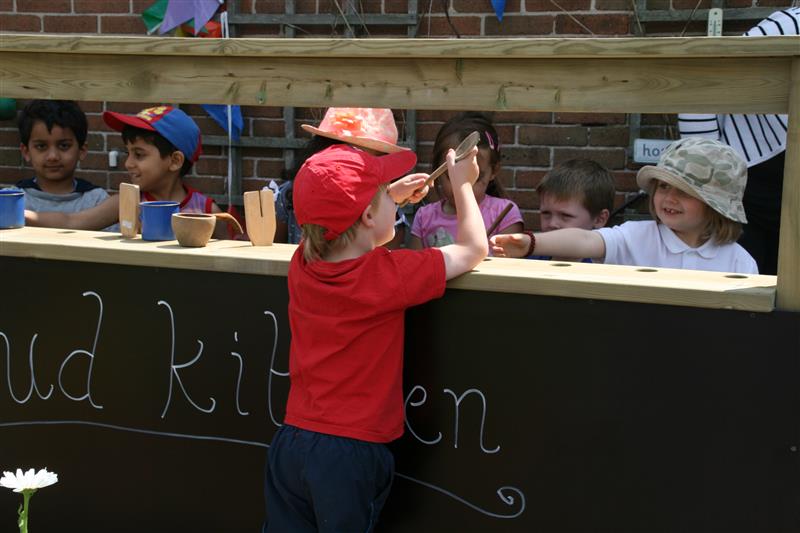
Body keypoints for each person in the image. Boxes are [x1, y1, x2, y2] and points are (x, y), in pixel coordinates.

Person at [264, 142, 487, 532]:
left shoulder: (302, 265)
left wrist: (388, 198)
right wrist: (463, 185)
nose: (394, 201)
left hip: (293, 442)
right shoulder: (388, 275)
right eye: (386, 194)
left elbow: (343, 231)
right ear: (367, 214)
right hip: (350, 453)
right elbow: (472, 249)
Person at [490, 137, 758, 274]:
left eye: (685, 192)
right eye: (663, 186)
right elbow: (585, 240)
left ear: (715, 206)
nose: (669, 198)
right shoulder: (637, 236)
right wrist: (531, 243)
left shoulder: (740, 262)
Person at [678, 7, 799, 275]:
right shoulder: (792, 23)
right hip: (749, 177)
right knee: (742, 288)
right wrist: (704, 172)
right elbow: (708, 76)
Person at [25, 105, 226, 237]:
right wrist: (23, 214)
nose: (128, 163)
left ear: (174, 161)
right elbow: (71, 221)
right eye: (127, 153)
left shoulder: (207, 211)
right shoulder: (126, 201)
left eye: (139, 154)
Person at [276, 107, 423, 248]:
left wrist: (389, 196)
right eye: (349, 158)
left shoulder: (389, 210)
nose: (355, 170)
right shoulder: (286, 197)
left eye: (369, 165)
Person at [410, 112, 523, 249]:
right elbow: (415, 266)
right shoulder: (424, 218)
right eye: (451, 176)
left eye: (475, 177)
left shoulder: (505, 213)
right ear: (437, 171)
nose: (461, 187)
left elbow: (508, 266)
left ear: (494, 171)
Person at [16, 100, 110, 220]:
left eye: (64, 146)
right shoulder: (10, 200)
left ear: (82, 150)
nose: (53, 156)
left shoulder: (98, 201)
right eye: (41, 146)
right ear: (26, 151)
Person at [533, 158, 615, 261]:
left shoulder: (603, 272)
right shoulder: (530, 262)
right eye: (546, 213)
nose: (552, 223)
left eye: (565, 216)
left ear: (599, 219)